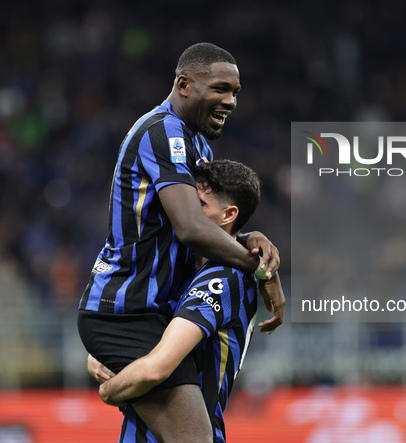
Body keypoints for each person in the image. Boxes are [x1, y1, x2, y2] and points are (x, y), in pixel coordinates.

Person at [78, 43, 285, 441]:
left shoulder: (199, 145)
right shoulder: (161, 131)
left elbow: (201, 228)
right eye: (221, 88)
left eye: (236, 92)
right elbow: (191, 228)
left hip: (150, 312)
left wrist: (249, 238)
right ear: (185, 84)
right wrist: (260, 268)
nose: (231, 100)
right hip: (128, 311)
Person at [91, 160, 280, 443]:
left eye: (200, 205)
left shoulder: (226, 278)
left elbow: (156, 368)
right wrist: (100, 353)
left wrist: (110, 391)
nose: (185, 210)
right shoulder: (178, 259)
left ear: (229, 214)